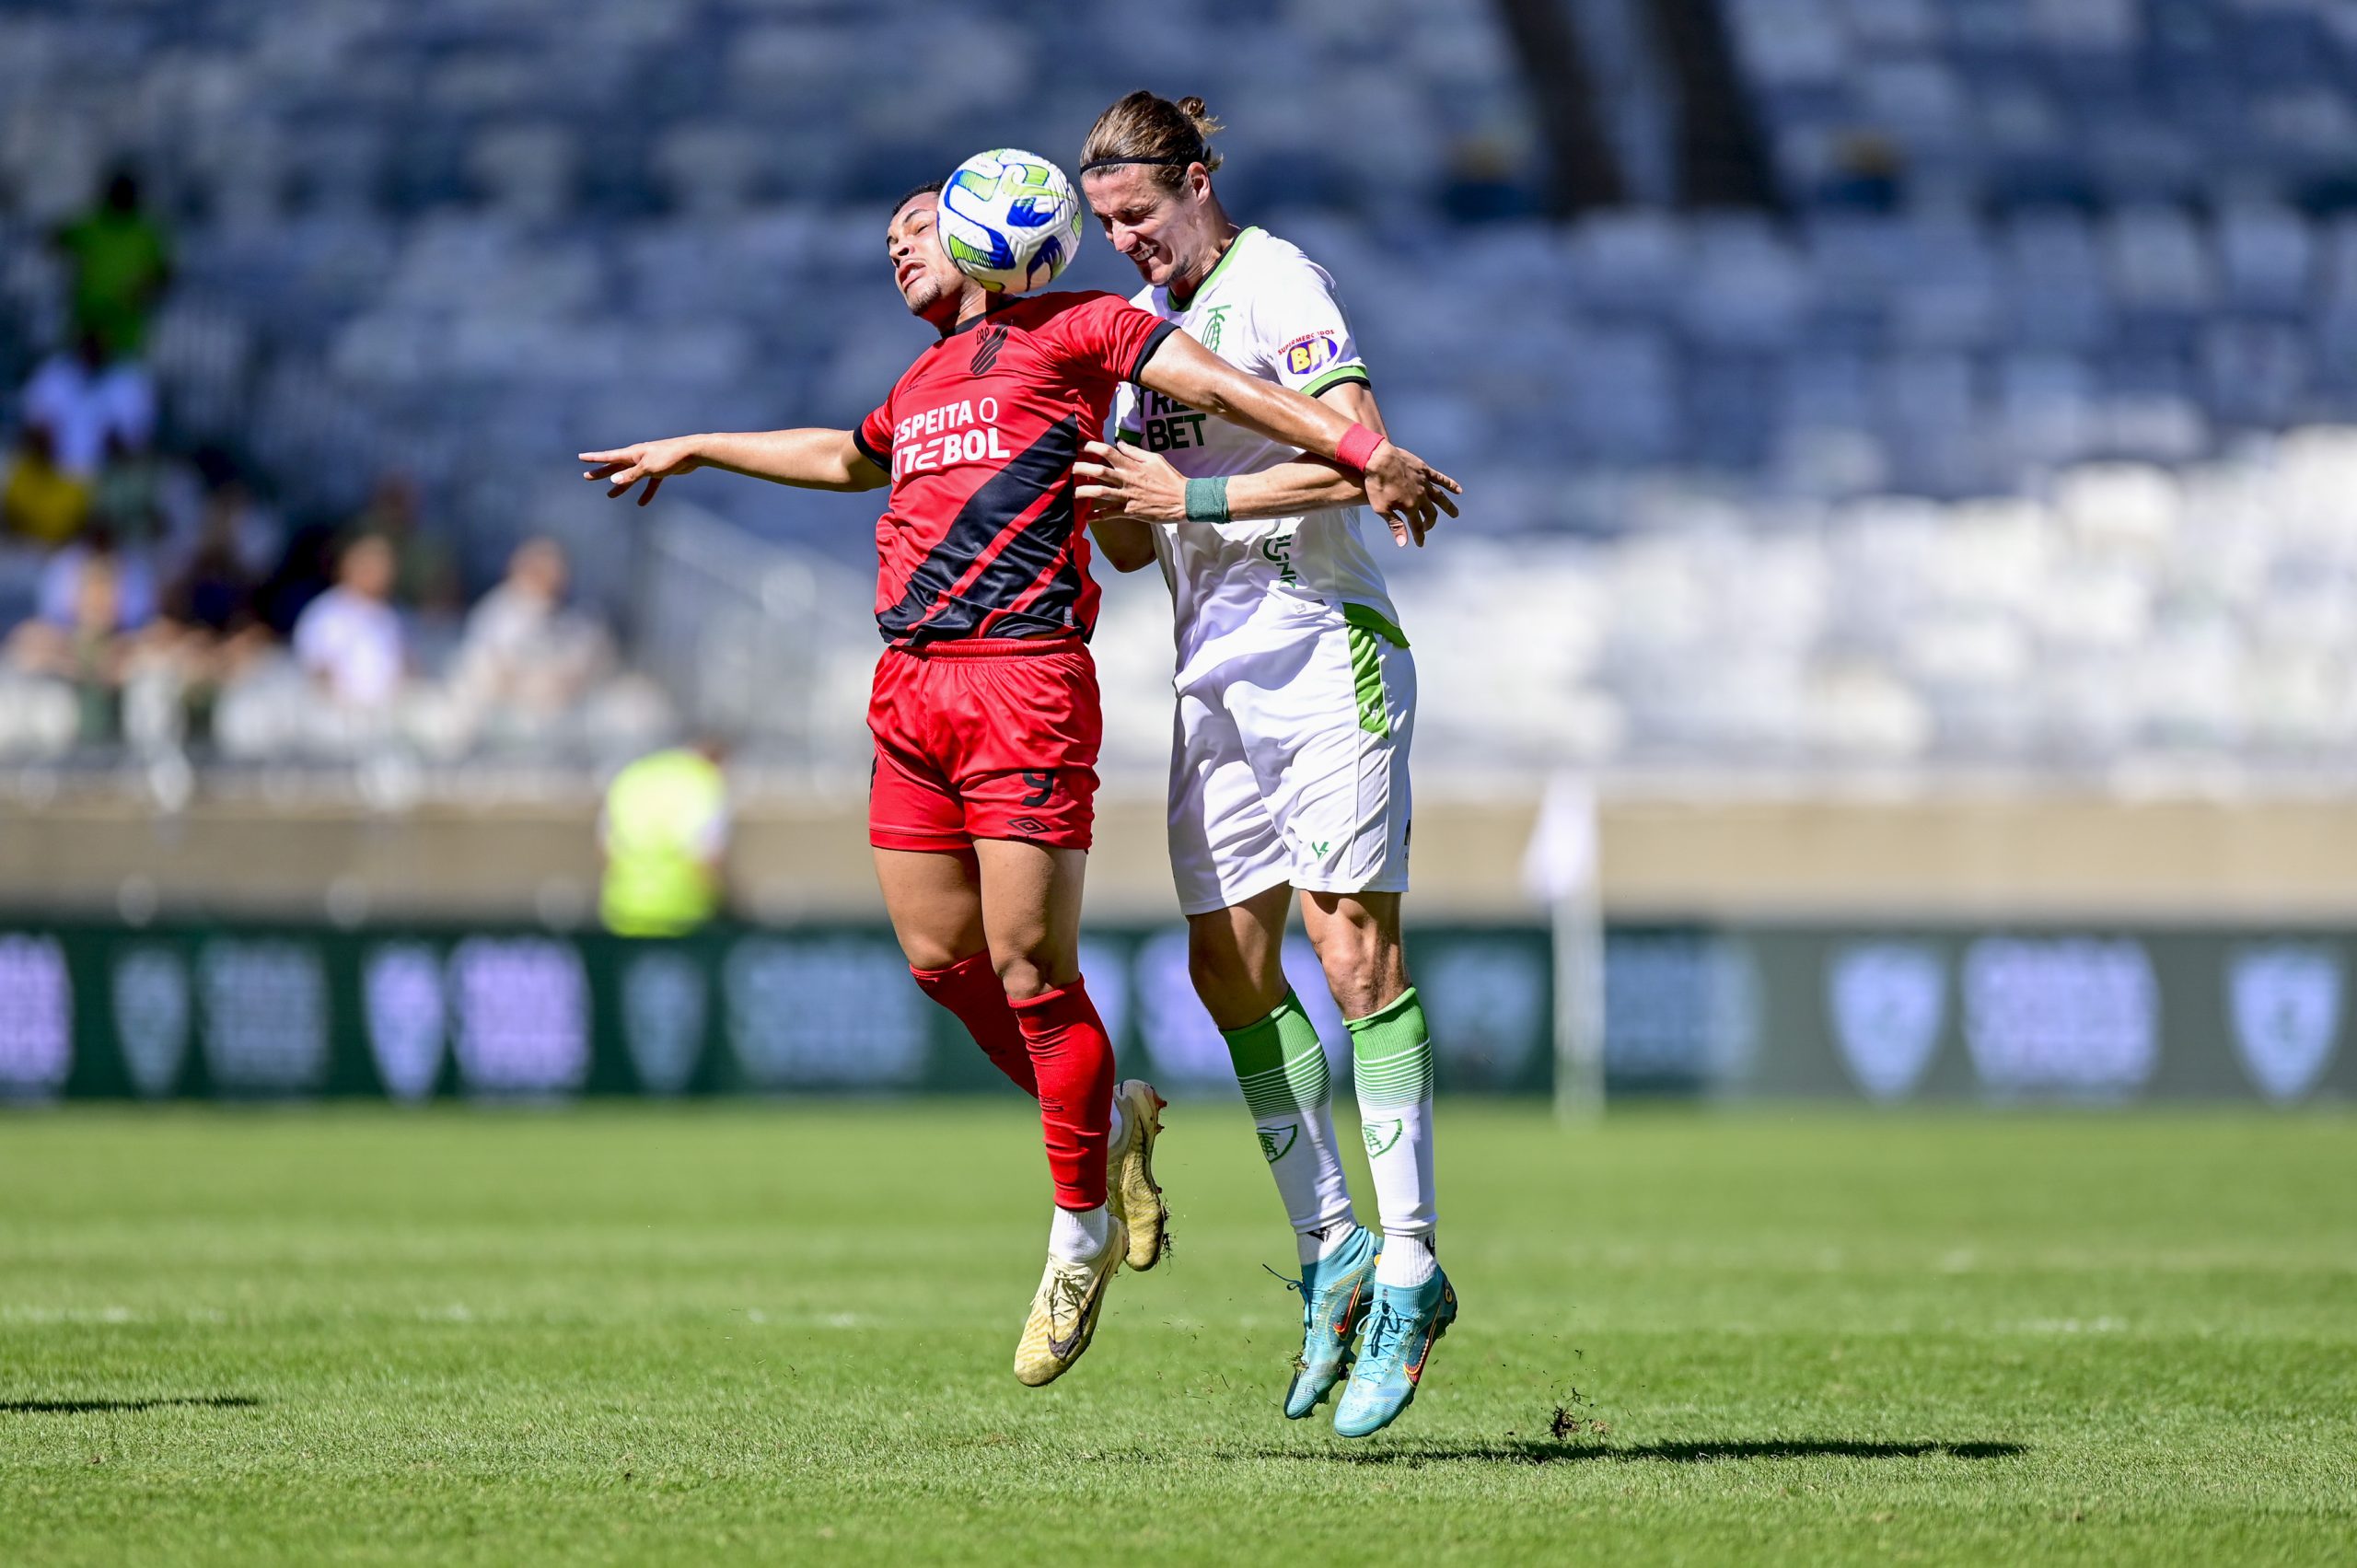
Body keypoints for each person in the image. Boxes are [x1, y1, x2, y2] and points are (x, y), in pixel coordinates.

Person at [581, 168, 1459, 1387]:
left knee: (1031, 968)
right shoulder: (923, 380)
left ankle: (1081, 1232)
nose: (895, 250)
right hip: (909, 685)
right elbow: (845, 458)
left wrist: (1367, 449)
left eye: (913, 229)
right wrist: (701, 446)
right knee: (942, 961)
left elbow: (1218, 386)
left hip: (1022, 678)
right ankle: (1111, 1125)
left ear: (985, 235)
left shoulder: (1084, 328)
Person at [1073, 91, 1457, 1437]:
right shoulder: (1139, 350)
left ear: (1192, 183)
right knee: (1225, 961)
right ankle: (1333, 1243)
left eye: (1138, 217)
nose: (1127, 246)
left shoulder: (1272, 279)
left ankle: (1411, 1265)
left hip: (1318, 644)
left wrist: (1194, 494)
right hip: (1210, 670)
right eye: (1106, 229)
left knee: (1349, 947)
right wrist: (1089, 476)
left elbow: (1356, 450)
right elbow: (1133, 545)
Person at [452, 536, 615, 719]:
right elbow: (487, 676)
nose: (556, 574)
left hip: (568, 718)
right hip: (506, 720)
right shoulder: (497, 615)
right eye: (545, 566)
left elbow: (592, 666)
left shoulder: (578, 616)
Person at [599, 738, 729, 937]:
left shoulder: (632, 774)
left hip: (624, 911)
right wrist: (727, 905)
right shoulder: (704, 783)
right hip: (685, 916)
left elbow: (605, 848)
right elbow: (705, 860)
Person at [53, 167, 173, 366]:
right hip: (86, 330)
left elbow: (165, 273)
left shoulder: (147, 233)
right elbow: (58, 237)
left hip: (124, 335)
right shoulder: (93, 225)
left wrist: (146, 289)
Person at [292, 533, 405, 708]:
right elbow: (315, 672)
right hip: (335, 718)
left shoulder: (391, 616)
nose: (381, 574)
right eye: (371, 566)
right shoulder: (325, 614)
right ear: (349, 566)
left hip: (384, 716)